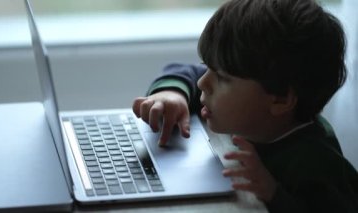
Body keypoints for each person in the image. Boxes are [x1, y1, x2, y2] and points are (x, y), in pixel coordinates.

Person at [132, 0, 358, 212]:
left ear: (280, 99)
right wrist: (172, 94)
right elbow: (188, 73)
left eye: (221, 77)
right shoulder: (255, 95)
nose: (203, 83)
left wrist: (274, 194)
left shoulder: (316, 165)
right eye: (207, 67)